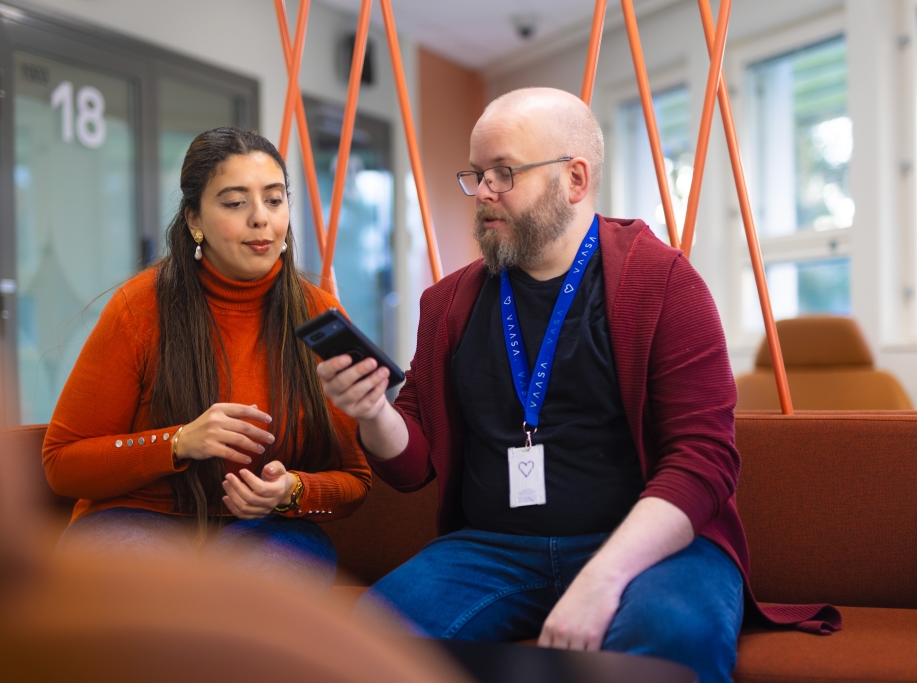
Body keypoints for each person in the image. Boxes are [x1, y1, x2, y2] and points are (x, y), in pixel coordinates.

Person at [318, 88, 831, 682]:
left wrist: (603, 577)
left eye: (504, 172)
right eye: (477, 174)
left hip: (647, 546)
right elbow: (412, 468)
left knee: (674, 638)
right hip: (493, 548)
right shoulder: (447, 304)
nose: (483, 191)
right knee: (365, 642)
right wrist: (372, 411)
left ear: (575, 179)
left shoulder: (664, 282)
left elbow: (704, 462)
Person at [43, 127, 370, 587]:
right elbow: (62, 464)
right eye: (235, 203)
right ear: (194, 219)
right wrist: (177, 442)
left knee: (254, 604)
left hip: (267, 528)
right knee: (163, 599)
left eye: (274, 200)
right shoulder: (139, 307)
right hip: (133, 517)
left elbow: (356, 479)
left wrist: (291, 491)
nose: (261, 219)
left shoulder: (320, 316)